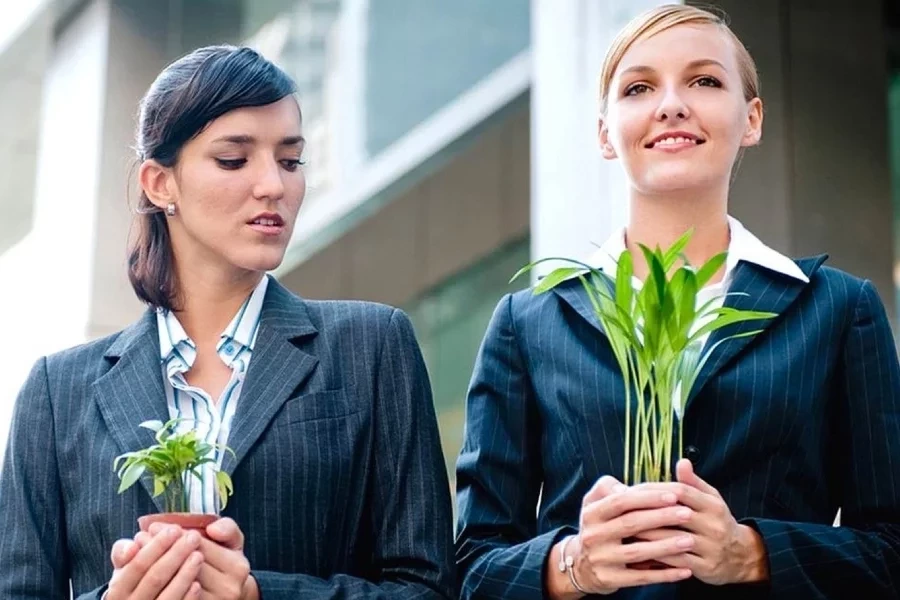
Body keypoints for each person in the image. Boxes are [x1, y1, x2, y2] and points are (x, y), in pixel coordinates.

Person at [455, 5, 900, 599]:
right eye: (639, 87)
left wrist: (753, 553)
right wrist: (573, 565)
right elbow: (471, 568)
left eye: (705, 81)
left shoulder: (838, 309)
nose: (671, 104)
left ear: (752, 119)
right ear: (605, 133)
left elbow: (891, 550)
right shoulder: (529, 323)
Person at [0, 45, 455, 599]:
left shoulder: (373, 347)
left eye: (290, 161)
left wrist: (262, 593)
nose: (273, 186)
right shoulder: (57, 394)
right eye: (234, 160)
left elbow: (429, 588)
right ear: (159, 183)